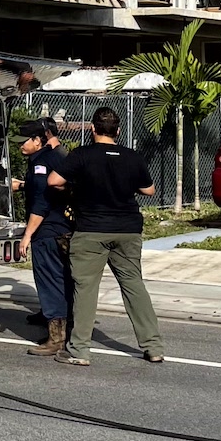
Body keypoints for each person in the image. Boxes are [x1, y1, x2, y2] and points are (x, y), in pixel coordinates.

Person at [47, 104, 164, 366]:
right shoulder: (132, 156)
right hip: (127, 229)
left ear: (92, 129)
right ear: (118, 131)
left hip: (91, 230)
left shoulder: (82, 155)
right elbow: (149, 190)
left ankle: (80, 350)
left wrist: (75, 182)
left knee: (86, 289)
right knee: (133, 286)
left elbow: (53, 181)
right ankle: (153, 346)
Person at [15, 116, 73, 356]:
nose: (20, 145)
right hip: (64, 227)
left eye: (24, 141)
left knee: (50, 282)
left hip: (47, 231)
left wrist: (27, 235)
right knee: (63, 280)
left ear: (38, 140)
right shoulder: (58, 156)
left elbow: (41, 202)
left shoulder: (41, 162)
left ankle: (55, 338)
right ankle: (66, 328)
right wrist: (21, 185)